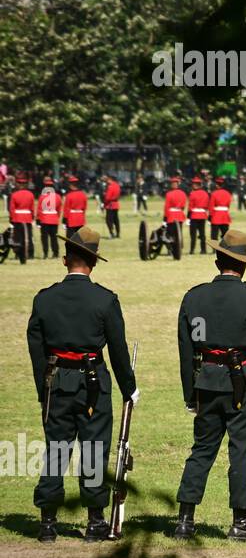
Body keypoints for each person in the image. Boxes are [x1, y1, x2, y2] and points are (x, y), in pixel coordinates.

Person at [173, 231, 246, 540]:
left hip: (206, 382)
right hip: (242, 382)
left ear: (218, 262)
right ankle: (240, 522)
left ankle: (185, 519)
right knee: (241, 451)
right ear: (243, 266)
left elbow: (186, 352)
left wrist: (190, 393)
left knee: (201, 450)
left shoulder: (193, 296)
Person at [27, 228, 139, 541]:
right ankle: (94, 522)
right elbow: (118, 350)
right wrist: (129, 387)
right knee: (93, 450)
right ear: (93, 263)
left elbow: (36, 346)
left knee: (56, 450)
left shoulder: (45, 298)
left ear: (65, 260)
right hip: (93, 383)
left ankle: (48, 522)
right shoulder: (105, 299)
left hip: (56, 381)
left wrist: (43, 387)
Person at [8, 172, 35, 263]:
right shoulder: (30, 194)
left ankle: (18, 254)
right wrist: (32, 217)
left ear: (18, 184)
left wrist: (11, 218)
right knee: (29, 237)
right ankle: (30, 253)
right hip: (27, 217)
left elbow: (12, 209)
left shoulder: (14, 195)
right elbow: (32, 208)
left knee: (18, 238)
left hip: (17, 217)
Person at [187, 176, 209, 255]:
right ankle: (203, 250)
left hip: (194, 215)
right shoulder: (205, 194)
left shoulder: (192, 194)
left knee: (193, 235)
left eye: (194, 184)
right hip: (202, 215)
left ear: (197, 185)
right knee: (202, 234)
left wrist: (188, 217)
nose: (193, 185)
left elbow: (190, 206)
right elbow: (207, 205)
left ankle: (192, 250)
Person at [209, 176, 232, 243]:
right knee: (225, 233)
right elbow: (228, 205)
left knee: (214, 234)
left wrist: (210, 216)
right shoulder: (228, 194)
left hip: (216, 215)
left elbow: (211, 206)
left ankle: (214, 248)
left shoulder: (214, 194)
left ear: (217, 185)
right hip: (225, 215)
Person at [101, 174, 122, 238]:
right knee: (116, 220)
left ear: (110, 179)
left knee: (109, 220)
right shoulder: (117, 185)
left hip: (110, 205)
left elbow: (107, 198)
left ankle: (111, 233)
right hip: (116, 205)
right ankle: (118, 233)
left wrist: (103, 204)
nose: (107, 181)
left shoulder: (110, 186)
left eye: (107, 180)